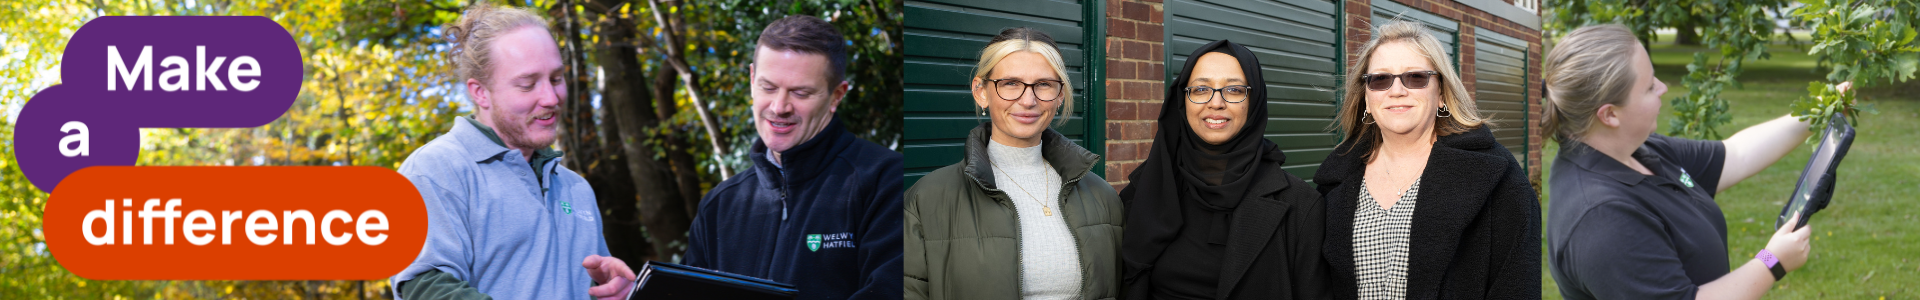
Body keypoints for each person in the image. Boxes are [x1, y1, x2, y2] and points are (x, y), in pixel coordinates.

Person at [1543, 24, 1823, 300]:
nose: (1663, 88)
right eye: (1650, 86)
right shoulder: (1602, 219)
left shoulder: (1637, 151)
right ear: (1610, 115)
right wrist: (1772, 261)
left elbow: (1736, 154)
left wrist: (1819, 111)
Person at [390, 3, 634, 300]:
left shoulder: (575, 188)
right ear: (480, 92)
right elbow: (424, 286)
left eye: (556, 79)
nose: (551, 97)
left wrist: (613, 290)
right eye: (528, 84)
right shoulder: (434, 170)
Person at [1314, 20, 1540, 300]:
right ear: (1367, 99)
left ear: (1442, 93)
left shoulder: (1498, 178)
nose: (1396, 90)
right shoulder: (1334, 182)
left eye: (1416, 77)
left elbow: (1517, 286)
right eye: (1380, 79)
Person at [682, 15, 902, 300]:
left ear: (837, 95)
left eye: (801, 92)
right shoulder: (719, 205)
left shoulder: (887, 181)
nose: (779, 107)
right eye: (768, 87)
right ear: (751, 80)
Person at [903, 27, 1124, 300]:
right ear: (981, 91)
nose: (1028, 100)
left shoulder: (1102, 197)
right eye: (1010, 83)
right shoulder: (926, 199)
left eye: (1043, 84)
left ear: (1060, 95)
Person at [1118, 39, 1330, 299]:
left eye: (1233, 90)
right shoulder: (1143, 193)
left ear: (1254, 101)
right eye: (1200, 89)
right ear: (1183, 100)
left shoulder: (1301, 206)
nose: (1216, 103)